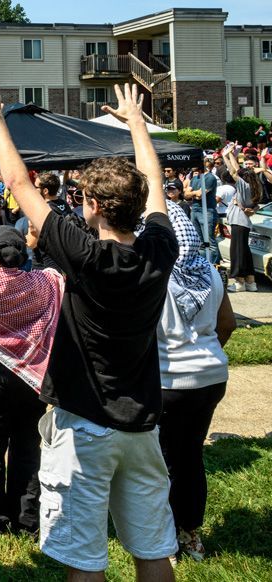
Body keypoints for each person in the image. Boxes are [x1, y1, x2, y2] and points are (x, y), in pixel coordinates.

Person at [0, 77, 179, 580]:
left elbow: (19, 183)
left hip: (86, 424)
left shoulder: (86, 256)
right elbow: (155, 183)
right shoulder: (159, 250)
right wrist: (137, 123)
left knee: (85, 558)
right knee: (153, 551)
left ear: (91, 205)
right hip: (142, 424)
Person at [0, 226, 64, 541]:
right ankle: (26, 519)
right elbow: (56, 272)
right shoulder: (43, 284)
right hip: (32, 374)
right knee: (27, 447)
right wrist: (39, 245)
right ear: (23, 253)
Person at [154, 201, 236, 563]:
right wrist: (204, 351)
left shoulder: (153, 274)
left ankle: (166, 538)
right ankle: (191, 534)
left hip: (168, 380)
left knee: (162, 461)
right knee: (191, 455)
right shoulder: (211, 273)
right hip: (211, 377)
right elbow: (228, 324)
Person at [220, 153, 259, 292]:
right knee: (245, 252)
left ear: (244, 178)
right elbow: (236, 169)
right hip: (244, 222)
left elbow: (233, 170)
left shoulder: (244, 186)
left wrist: (227, 155)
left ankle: (239, 283)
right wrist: (228, 155)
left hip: (239, 221)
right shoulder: (254, 186)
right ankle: (251, 282)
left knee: (237, 253)